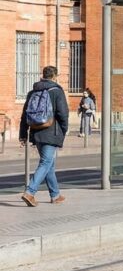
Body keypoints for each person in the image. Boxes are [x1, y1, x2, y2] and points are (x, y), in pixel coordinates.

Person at [19, 66, 70, 207]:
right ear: (55, 76)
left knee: (49, 164)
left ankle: (55, 195)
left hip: (36, 132)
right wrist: (63, 131)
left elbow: (25, 115)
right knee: (46, 163)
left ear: (43, 76)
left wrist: (23, 134)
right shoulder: (56, 91)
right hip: (51, 132)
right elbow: (63, 114)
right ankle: (30, 192)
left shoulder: (32, 92)